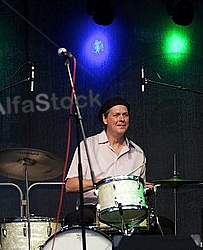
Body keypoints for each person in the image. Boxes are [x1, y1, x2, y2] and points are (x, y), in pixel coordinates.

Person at [64, 96, 150, 228]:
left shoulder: (138, 153)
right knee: (74, 219)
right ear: (105, 119)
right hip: (94, 208)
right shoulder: (88, 146)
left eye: (125, 115)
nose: (122, 119)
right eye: (116, 115)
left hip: (128, 212)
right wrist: (99, 183)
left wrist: (145, 190)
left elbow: (140, 194)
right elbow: (70, 185)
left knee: (164, 226)